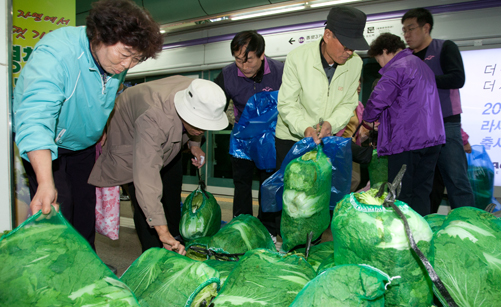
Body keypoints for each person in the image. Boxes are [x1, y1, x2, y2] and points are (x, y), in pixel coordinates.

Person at [13, 0, 163, 250]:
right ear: (100, 35)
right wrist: (44, 182)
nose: (127, 65)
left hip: (83, 146)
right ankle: (61, 279)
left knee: (85, 211)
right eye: (125, 55)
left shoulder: (114, 63)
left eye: (136, 59)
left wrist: (102, 125)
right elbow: (35, 117)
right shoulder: (57, 54)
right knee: (60, 212)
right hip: (50, 146)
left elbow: (105, 95)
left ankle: (87, 272)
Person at [88, 78, 228, 254]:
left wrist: (195, 145)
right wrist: (162, 231)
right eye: (199, 125)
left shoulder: (201, 93)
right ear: (185, 111)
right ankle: (152, 252)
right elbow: (146, 177)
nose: (203, 130)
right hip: (130, 135)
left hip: (165, 132)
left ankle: (175, 236)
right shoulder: (153, 119)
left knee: (171, 188)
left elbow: (196, 125)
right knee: (144, 199)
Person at [360, 33, 446, 216]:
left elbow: (377, 100)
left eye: (378, 59)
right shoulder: (423, 66)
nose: (380, 65)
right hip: (433, 139)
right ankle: (420, 233)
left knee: (400, 193)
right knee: (422, 191)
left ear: (384, 51)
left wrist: (368, 118)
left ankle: (404, 238)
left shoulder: (397, 67)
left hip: (406, 140)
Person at [275, 5, 369, 167]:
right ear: (327, 35)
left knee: (321, 186)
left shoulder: (355, 63)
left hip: (326, 137)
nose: (349, 52)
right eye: (346, 46)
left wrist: (331, 123)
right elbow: (287, 103)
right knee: (292, 188)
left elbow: (348, 103)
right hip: (291, 137)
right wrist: (304, 128)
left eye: (352, 48)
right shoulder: (297, 58)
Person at [401, 8, 475, 211]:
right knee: (423, 184)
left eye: (411, 29)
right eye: (404, 30)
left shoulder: (444, 48)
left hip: (445, 123)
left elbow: (457, 78)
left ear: (426, 28)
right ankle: (423, 230)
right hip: (417, 128)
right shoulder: (406, 57)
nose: (406, 35)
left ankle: (468, 227)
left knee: (456, 180)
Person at [214, 31, 284, 240]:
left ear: (262, 55)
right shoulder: (227, 75)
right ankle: (241, 226)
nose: (243, 66)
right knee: (241, 183)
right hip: (243, 137)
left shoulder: (281, 71)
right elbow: (213, 106)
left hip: (271, 137)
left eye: (248, 60)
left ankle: (268, 229)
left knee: (269, 182)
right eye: (238, 60)